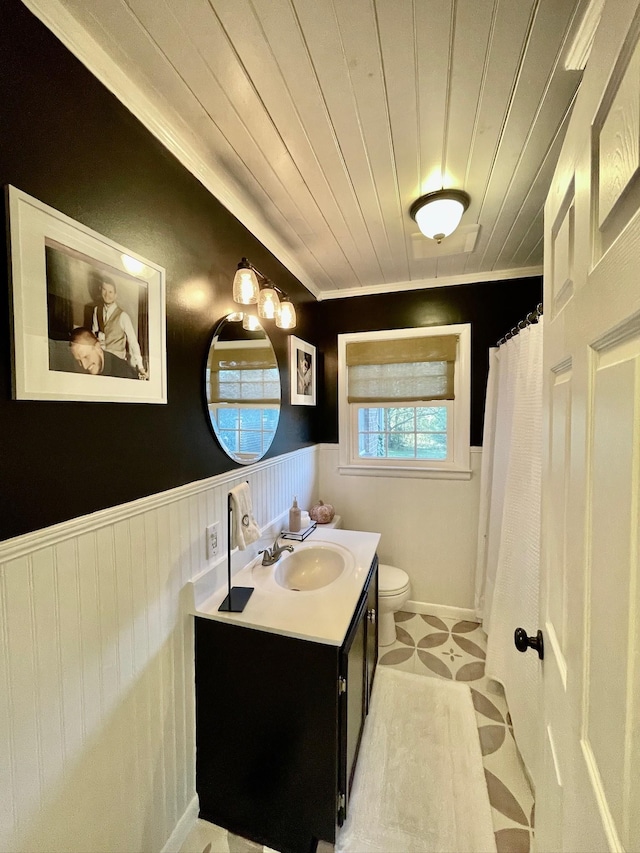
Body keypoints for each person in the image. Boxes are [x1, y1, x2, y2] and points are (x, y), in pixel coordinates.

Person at [91, 277, 148, 379]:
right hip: (102, 361)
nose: (107, 294)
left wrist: (140, 367)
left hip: (117, 362)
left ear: (115, 295)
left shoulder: (123, 316)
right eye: (104, 290)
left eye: (110, 292)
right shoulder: (96, 310)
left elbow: (133, 342)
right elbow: (93, 334)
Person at [69, 328, 138, 378]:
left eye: (86, 357)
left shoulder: (123, 372)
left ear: (98, 348)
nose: (84, 366)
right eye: (79, 361)